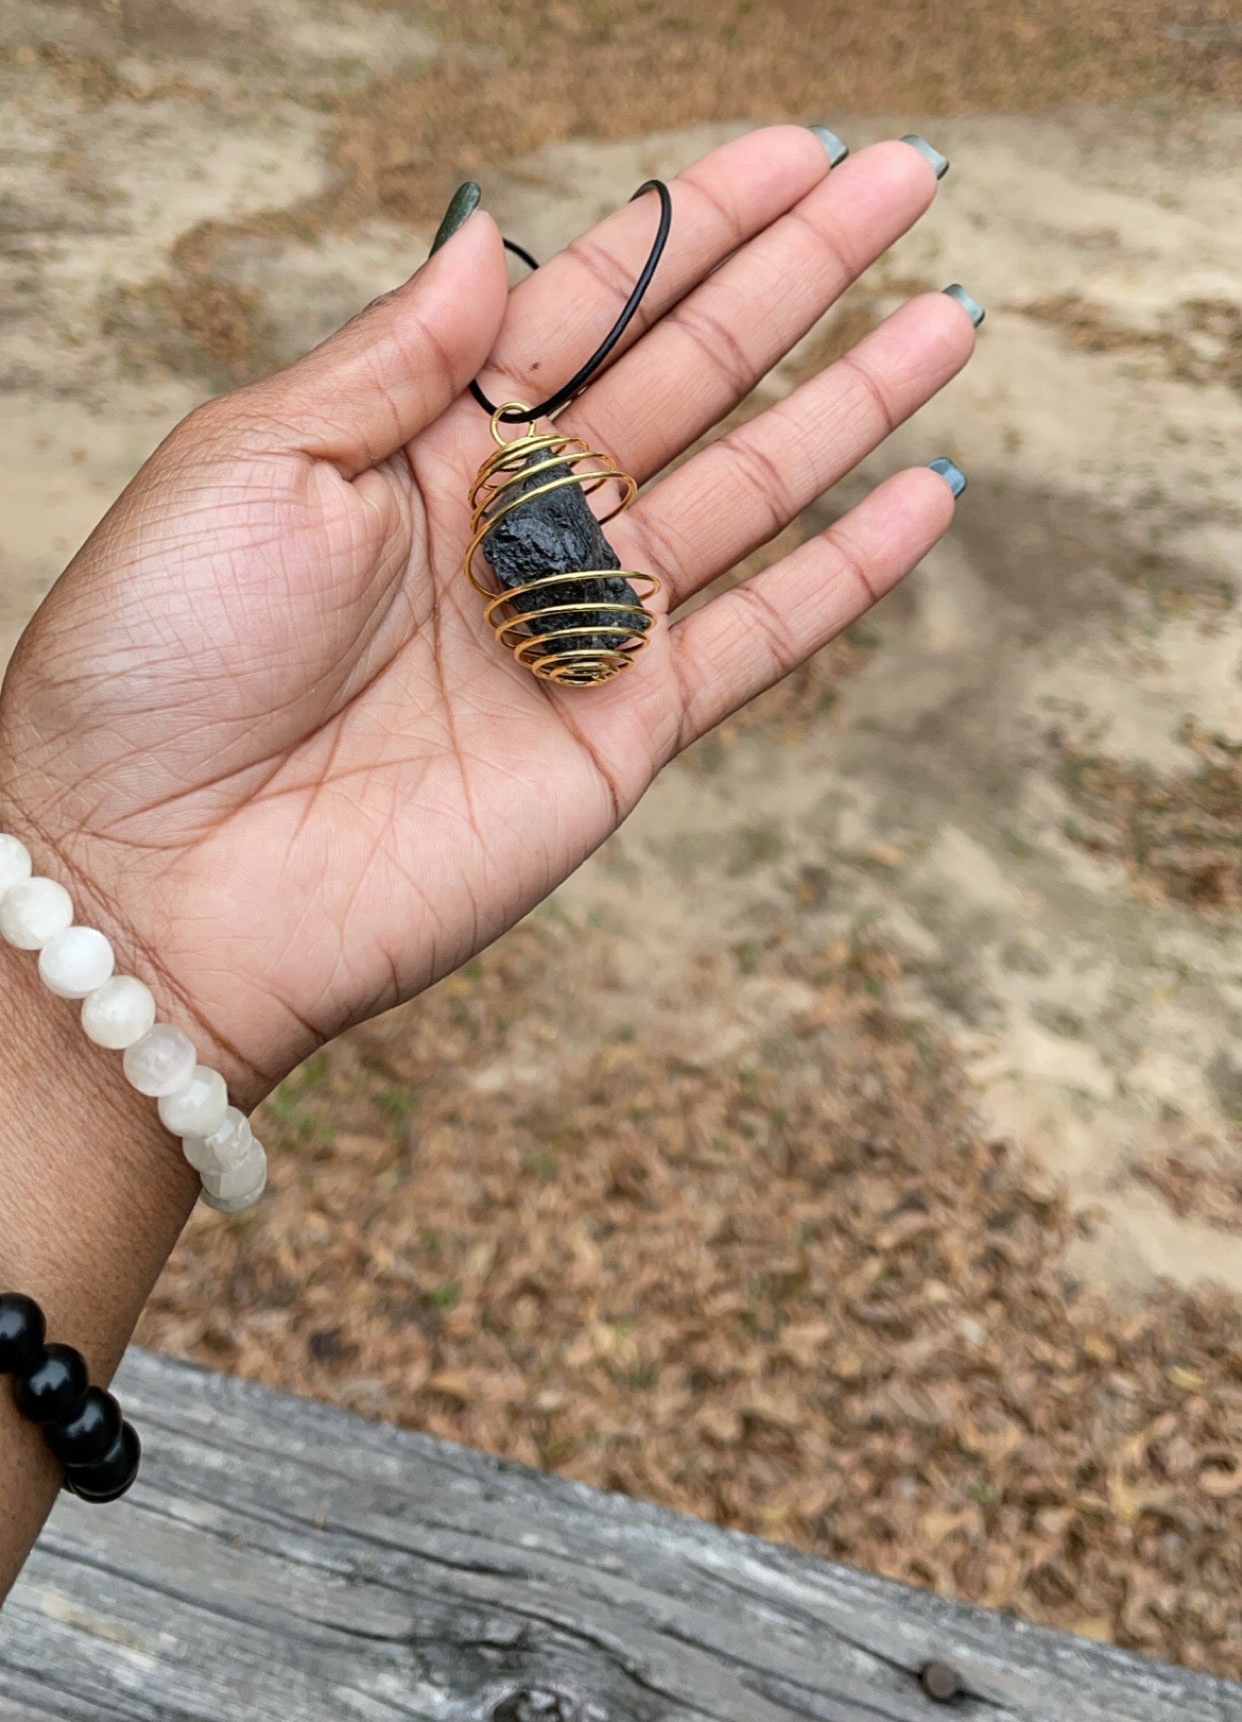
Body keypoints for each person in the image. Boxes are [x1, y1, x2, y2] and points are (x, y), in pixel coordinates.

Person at [0, 126, 978, 1594]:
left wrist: (94, 922)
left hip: (553, 633)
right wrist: (98, 878)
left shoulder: (513, 510)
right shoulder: (519, 517)